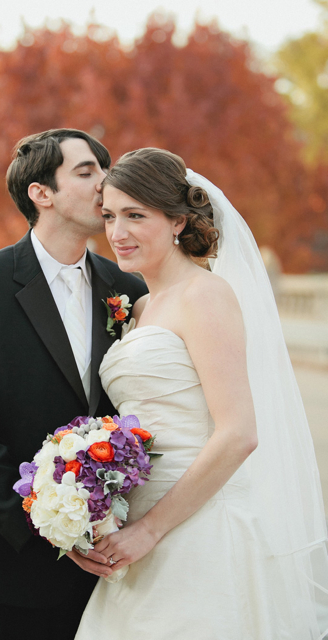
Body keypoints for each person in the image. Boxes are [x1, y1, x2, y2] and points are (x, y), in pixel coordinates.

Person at [74, 148, 328, 639]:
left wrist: (149, 531)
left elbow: (238, 434)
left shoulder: (205, 295)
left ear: (176, 221)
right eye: (108, 216)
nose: (117, 233)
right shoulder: (140, 306)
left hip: (200, 526)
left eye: (135, 216)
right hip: (136, 526)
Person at [0, 129, 147, 640]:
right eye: (86, 171)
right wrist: (53, 528)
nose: (104, 184)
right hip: (1, 569)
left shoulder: (129, 289)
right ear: (41, 193)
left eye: (105, 170)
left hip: (109, 573)